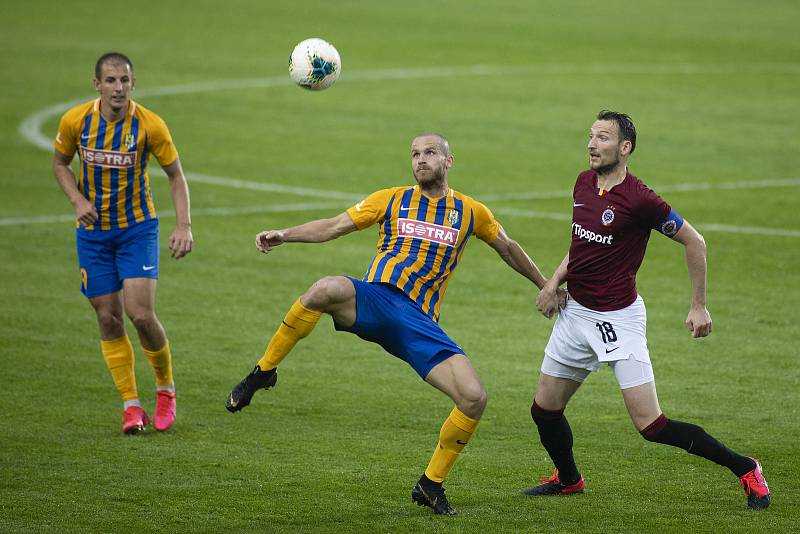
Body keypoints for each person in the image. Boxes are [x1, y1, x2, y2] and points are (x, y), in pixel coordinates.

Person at [226, 133, 550, 515]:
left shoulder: (470, 212)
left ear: (449, 161)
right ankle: (263, 372)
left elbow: (508, 248)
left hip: (418, 323)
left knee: (474, 398)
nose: (420, 160)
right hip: (375, 300)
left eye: (430, 152)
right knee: (324, 289)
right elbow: (332, 226)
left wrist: (547, 285)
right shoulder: (391, 199)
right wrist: (285, 235)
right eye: (415, 154)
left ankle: (430, 485)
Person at [524, 110, 770, 509]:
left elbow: (696, 243)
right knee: (544, 411)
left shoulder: (641, 200)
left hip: (618, 320)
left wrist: (699, 305)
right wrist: (553, 283)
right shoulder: (583, 183)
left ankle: (745, 467)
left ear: (625, 148)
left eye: (602, 138)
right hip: (575, 315)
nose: (591, 144)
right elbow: (581, 246)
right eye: (590, 136)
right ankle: (568, 479)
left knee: (651, 426)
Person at [52, 52, 193, 435]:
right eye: (111, 81)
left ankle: (166, 390)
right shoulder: (76, 121)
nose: (119, 88)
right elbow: (60, 164)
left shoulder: (150, 125)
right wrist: (78, 201)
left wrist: (184, 225)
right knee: (107, 316)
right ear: (96, 85)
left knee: (141, 315)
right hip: (94, 235)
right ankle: (131, 404)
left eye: (125, 81)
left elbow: (176, 177)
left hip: (136, 229)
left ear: (133, 84)